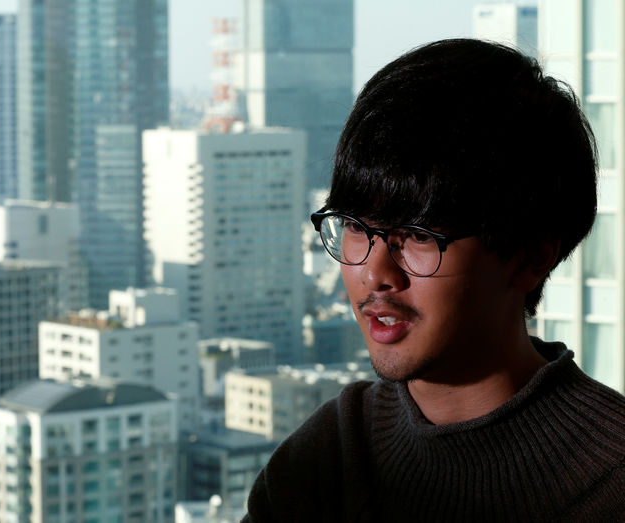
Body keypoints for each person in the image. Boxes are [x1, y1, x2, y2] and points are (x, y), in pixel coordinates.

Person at [241, 38, 625, 522]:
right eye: (356, 227)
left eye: (417, 237)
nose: (375, 275)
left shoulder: (611, 482)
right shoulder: (331, 452)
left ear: (529, 259)